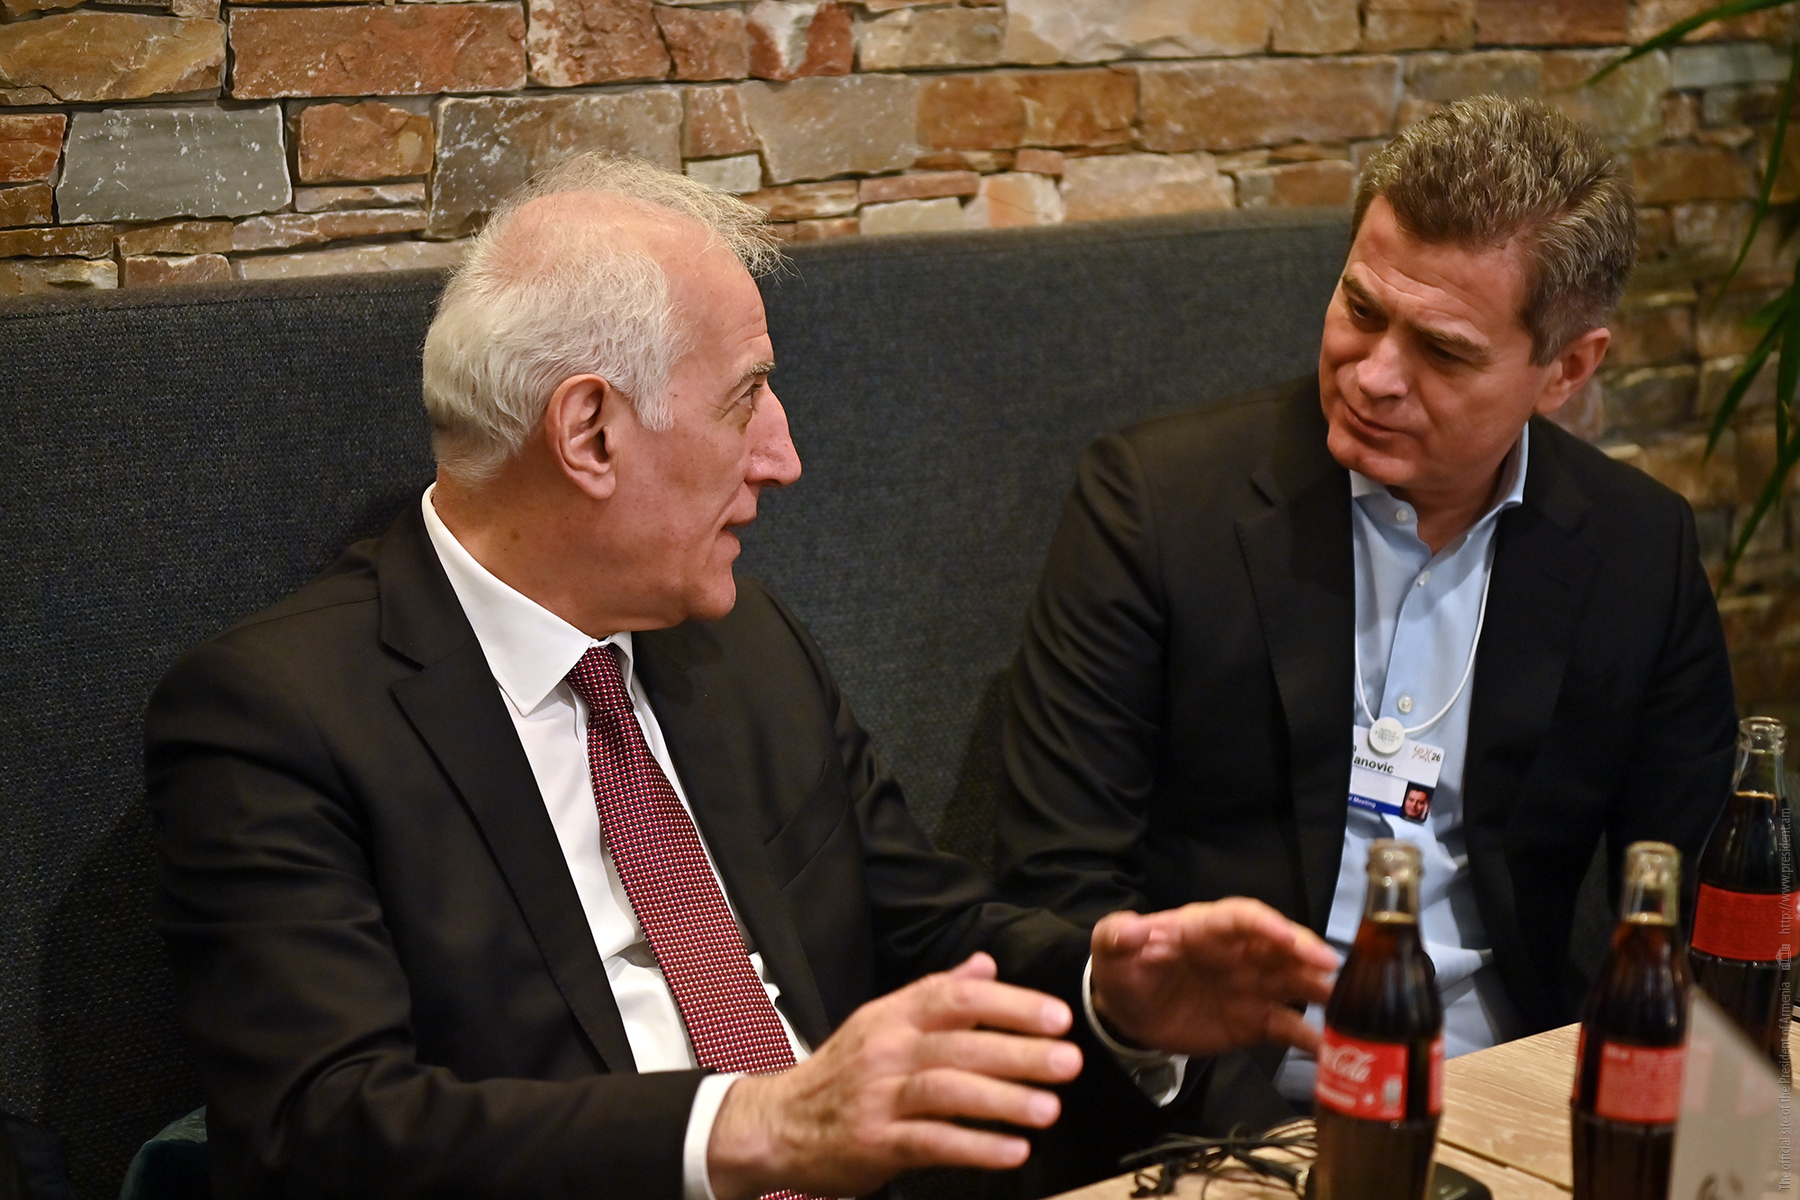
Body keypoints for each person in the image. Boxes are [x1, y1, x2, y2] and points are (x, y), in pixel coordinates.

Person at [145, 154, 1337, 1200]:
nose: (784, 457)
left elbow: (926, 932)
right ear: (591, 433)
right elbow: (322, 1131)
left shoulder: (740, 642)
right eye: (745, 399)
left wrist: (1110, 998)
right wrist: (753, 1128)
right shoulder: (275, 717)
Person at [993, 95, 1737, 1121]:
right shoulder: (1155, 508)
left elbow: (1700, 898)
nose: (1375, 376)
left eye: (1444, 351)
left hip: (1513, 1087)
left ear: (1566, 369)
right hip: (1226, 1102)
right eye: (1360, 309)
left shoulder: (1638, 548)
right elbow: (1058, 886)